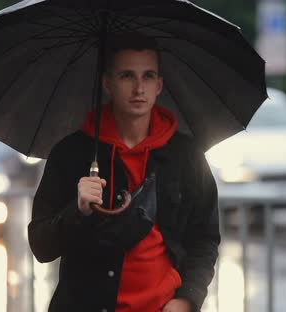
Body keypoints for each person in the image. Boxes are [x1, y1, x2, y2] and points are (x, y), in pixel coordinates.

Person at [28, 32, 220, 312]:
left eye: (148, 76)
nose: (139, 88)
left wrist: (187, 299)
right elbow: (41, 246)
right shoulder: (71, 153)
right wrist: (77, 211)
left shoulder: (186, 154)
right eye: (127, 76)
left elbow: (205, 238)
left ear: (159, 85)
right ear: (107, 84)